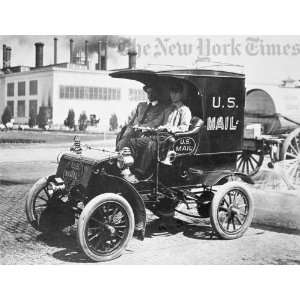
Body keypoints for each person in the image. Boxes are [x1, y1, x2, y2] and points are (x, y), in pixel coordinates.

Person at [125, 82, 192, 182]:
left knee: (150, 144)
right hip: (159, 137)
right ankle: (130, 168)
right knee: (132, 142)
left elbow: (185, 127)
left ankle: (140, 174)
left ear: (181, 94)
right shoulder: (168, 109)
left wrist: (170, 129)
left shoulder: (185, 110)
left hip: (170, 141)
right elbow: (155, 122)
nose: (173, 95)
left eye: (176, 92)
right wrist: (142, 127)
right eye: (171, 92)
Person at [116, 84, 170, 150]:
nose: (150, 95)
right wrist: (128, 128)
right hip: (133, 131)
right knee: (121, 137)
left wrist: (142, 127)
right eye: (148, 92)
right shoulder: (141, 105)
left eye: (152, 92)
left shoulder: (162, 108)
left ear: (157, 93)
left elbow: (156, 123)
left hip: (147, 133)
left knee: (125, 142)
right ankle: (120, 155)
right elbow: (132, 121)